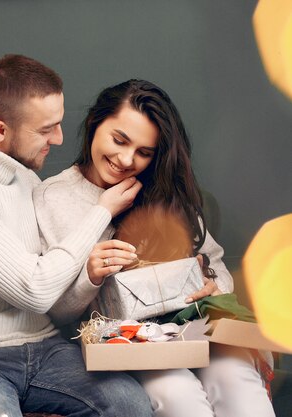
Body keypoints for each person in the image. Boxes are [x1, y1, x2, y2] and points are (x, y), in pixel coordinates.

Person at [0, 55, 153, 417]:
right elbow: (35, 290)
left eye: (57, 124)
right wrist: (101, 210)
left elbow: (53, 282)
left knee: (129, 403)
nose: (58, 139)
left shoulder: (26, 179)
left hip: (43, 347)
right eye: (45, 130)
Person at [33, 79, 275, 417]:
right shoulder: (51, 198)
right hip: (120, 348)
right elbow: (53, 311)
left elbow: (216, 265)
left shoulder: (163, 191)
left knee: (236, 379)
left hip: (192, 331)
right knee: (176, 394)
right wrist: (90, 275)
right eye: (119, 140)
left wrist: (213, 286)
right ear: (94, 123)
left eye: (144, 152)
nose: (126, 159)